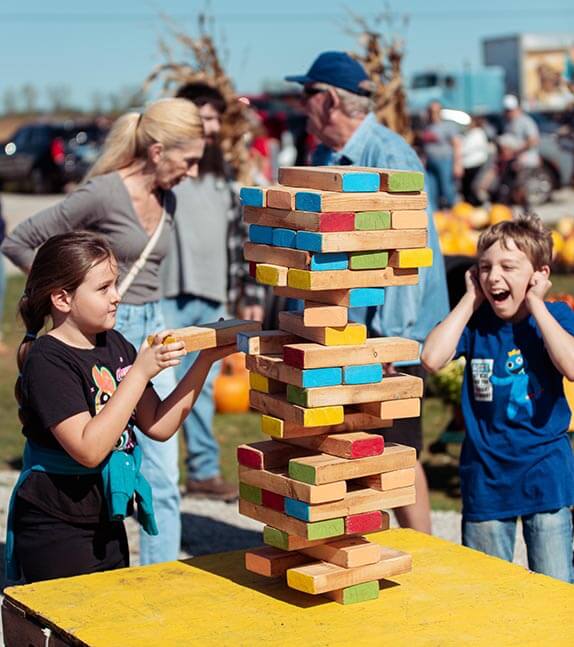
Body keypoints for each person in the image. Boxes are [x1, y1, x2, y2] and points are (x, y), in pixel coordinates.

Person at [1, 97, 204, 565]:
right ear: (157, 150)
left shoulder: (167, 198)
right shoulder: (102, 194)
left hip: (133, 334)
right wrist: (63, 293)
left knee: (161, 476)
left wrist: (207, 357)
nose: (193, 172)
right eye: (188, 159)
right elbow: (19, 241)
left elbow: (159, 426)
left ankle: (159, 583)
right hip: (95, 333)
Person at [6, 231, 234, 583]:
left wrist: (205, 360)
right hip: (56, 525)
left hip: (105, 519)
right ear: (62, 299)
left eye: (115, 284)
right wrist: (140, 373)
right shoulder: (48, 360)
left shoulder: (115, 344)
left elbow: (158, 424)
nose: (117, 296)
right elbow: (88, 449)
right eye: (104, 288)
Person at [285, 51, 450, 533]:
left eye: (307, 94)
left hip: (383, 340)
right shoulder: (322, 159)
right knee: (348, 447)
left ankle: (425, 552)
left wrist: (392, 345)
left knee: (395, 453)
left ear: (330, 100)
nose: (301, 105)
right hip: (340, 335)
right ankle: (360, 545)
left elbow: (406, 255)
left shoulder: (388, 156)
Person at [421, 215, 574, 583]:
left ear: (538, 274)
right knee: (488, 591)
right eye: (485, 267)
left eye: (508, 267)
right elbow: (432, 358)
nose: (493, 277)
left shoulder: (555, 315)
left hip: (545, 474)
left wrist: (537, 305)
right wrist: (469, 300)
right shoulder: (475, 324)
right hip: (486, 478)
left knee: (554, 590)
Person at [162, 83, 264, 501]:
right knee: (157, 383)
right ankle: (154, 473)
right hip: (166, 292)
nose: (209, 126)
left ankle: (202, 470)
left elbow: (239, 236)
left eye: (214, 118)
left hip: (210, 291)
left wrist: (246, 290)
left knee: (201, 386)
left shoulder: (222, 171)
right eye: (201, 117)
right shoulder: (168, 166)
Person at [419, 101, 463, 210]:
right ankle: (435, 216)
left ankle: (455, 212)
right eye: (431, 111)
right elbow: (424, 148)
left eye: (435, 111)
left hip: (445, 161)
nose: (433, 114)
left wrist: (457, 164)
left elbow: (457, 144)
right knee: (431, 191)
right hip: (430, 163)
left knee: (447, 189)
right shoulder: (427, 127)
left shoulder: (447, 126)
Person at [502, 94, 540, 170]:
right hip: (514, 158)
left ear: (517, 108)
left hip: (527, 158)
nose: (508, 113)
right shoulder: (508, 123)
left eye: (510, 110)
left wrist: (515, 151)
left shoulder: (525, 121)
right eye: (507, 110)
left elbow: (534, 140)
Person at [461, 116, 492, 206]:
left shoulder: (478, 133)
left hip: (475, 164)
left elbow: (466, 149)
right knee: (467, 189)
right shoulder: (470, 133)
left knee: (474, 188)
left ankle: (478, 205)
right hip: (468, 165)